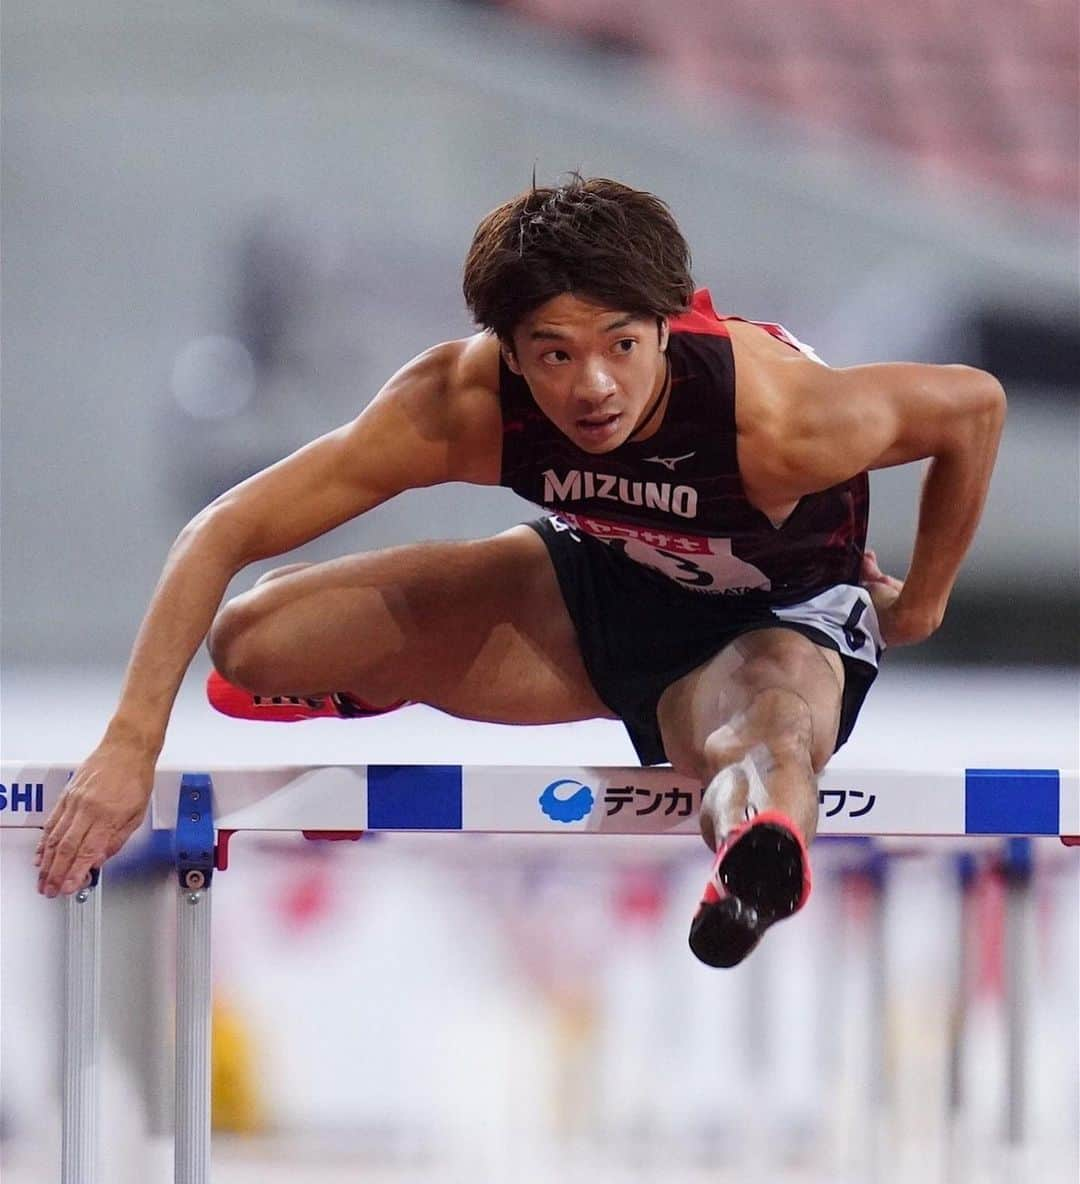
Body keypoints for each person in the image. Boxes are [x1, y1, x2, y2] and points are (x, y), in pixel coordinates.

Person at [35, 176, 1005, 967]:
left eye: (623, 346)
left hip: (775, 620)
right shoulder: (464, 401)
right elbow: (225, 525)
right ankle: (375, 680)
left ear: (668, 326)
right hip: (598, 588)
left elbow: (973, 407)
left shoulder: (779, 421)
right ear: (509, 351)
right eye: (555, 354)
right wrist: (131, 741)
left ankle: (753, 865)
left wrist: (919, 602)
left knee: (763, 729)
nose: (592, 386)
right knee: (251, 641)